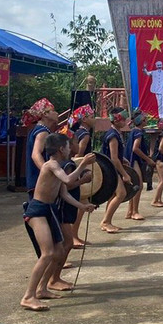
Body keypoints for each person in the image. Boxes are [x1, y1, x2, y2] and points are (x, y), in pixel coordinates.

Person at [20, 133, 95, 311]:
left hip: (50, 210)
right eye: (69, 146)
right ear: (62, 149)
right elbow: (68, 180)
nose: (71, 149)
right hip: (37, 210)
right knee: (47, 253)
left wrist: (82, 207)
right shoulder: (51, 165)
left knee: (59, 251)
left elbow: (64, 193)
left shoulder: (58, 167)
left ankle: (42, 289)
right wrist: (83, 164)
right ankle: (28, 296)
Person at [100, 108, 133, 234]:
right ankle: (105, 222)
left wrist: (123, 158)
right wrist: (125, 175)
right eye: (123, 118)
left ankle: (107, 221)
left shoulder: (116, 133)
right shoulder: (113, 136)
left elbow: (116, 155)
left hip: (112, 167)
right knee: (121, 194)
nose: (125, 121)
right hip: (110, 169)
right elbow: (113, 158)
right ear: (116, 120)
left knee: (114, 195)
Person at [70, 105, 96, 248]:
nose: (94, 120)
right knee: (82, 205)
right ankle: (73, 236)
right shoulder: (85, 134)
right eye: (92, 117)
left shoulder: (77, 132)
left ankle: (75, 235)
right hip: (80, 171)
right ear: (84, 119)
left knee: (83, 204)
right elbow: (78, 155)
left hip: (77, 171)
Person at [24, 99, 59, 200]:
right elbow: (36, 154)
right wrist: (47, 172)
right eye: (53, 110)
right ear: (45, 114)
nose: (57, 113)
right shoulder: (42, 132)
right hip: (39, 181)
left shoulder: (37, 129)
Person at [125, 110, 152, 221]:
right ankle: (135, 211)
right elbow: (135, 149)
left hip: (130, 160)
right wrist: (148, 160)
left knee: (134, 186)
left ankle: (130, 211)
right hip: (134, 160)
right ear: (142, 121)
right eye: (145, 119)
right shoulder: (138, 133)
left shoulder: (133, 131)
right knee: (138, 186)